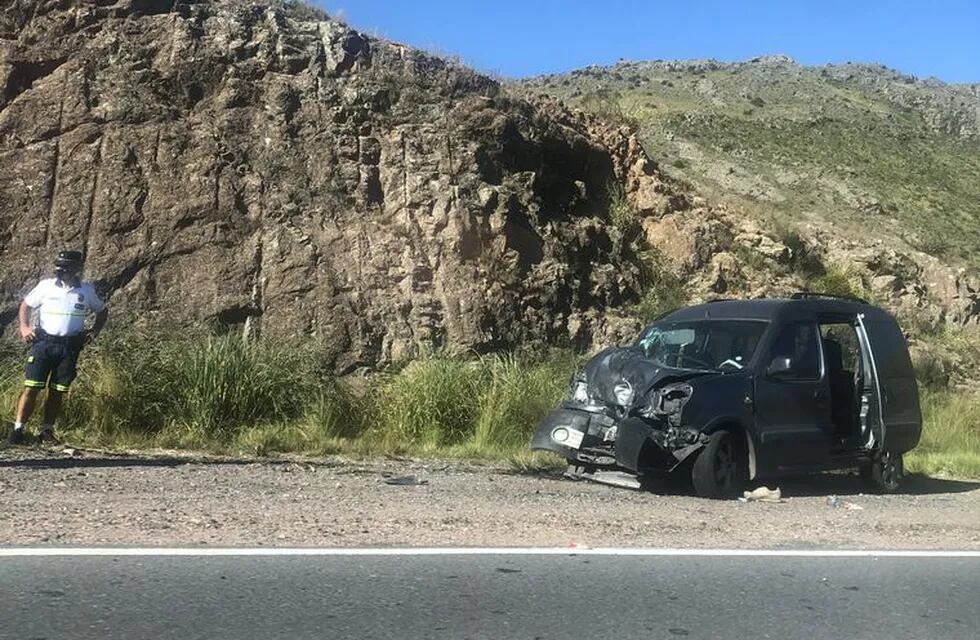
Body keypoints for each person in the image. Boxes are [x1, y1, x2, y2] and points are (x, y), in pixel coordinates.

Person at [7, 251, 108, 445]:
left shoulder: (86, 290)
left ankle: (46, 431)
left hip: (69, 347)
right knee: (31, 388)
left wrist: (94, 331)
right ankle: (18, 431)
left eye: (66, 267)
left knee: (57, 391)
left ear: (76, 268)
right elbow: (26, 306)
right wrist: (24, 327)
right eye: (59, 266)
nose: (61, 270)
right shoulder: (45, 286)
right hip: (44, 344)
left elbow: (102, 311)